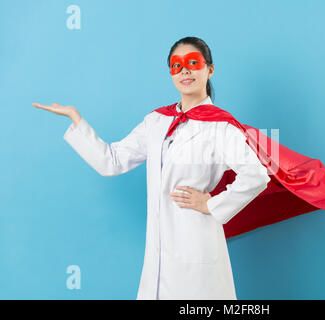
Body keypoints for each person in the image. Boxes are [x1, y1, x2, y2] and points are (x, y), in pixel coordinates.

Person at [32, 36, 270, 300]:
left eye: (193, 62)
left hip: (197, 246)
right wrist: (76, 119)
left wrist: (211, 204)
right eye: (176, 65)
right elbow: (111, 161)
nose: (185, 71)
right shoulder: (157, 121)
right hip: (158, 253)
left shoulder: (220, 126)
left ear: (209, 69)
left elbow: (256, 175)